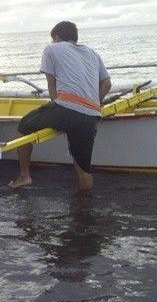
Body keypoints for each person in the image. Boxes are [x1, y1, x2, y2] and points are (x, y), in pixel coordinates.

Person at [8, 21, 111, 191]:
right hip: (92, 114)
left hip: (66, 108)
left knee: (23, 125)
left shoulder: (51, 49)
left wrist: (57, 113)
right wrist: (94, 103)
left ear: (56, 37)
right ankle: (85, 209)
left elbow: (52, 85)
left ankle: (24, 176)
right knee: (84, 170)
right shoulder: (93, 53)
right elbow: (106, 84)